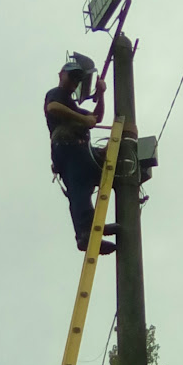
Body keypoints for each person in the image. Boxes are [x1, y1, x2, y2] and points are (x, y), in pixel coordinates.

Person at [44, 62, 118, 255]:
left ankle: (96, 225)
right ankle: (85, 234)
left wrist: (100, 94)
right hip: (67, 149)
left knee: (95, 179)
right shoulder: (57, 94)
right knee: (79, 192)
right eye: (72, 76)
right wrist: (82, 119)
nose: (75, 81)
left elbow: (96, 117)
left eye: (77, 78)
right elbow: (53, 107)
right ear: (61, 75)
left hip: (80, 150)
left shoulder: (71, 105)